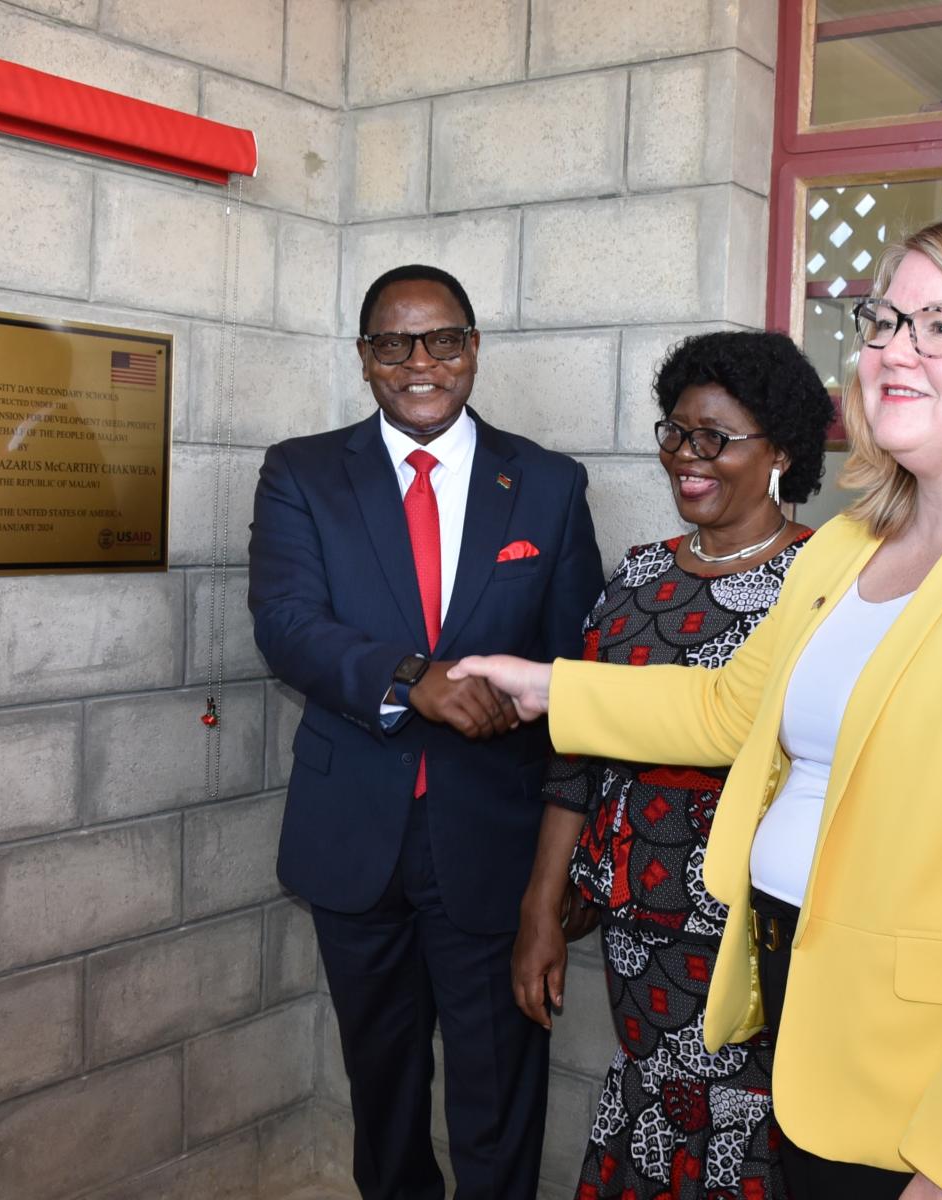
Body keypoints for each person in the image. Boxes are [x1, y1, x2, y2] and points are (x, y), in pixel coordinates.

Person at [450, 215, 942, 1200]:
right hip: (793, 984)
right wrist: (546, 687)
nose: (894, 350)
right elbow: (725, 710)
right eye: (883, 323)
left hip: (927, 1052)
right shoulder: (847, 548)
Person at [248, 263, 604, 1200]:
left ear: (473, 349)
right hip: (353, 838)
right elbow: (286, 625)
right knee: (385, 1092)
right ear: (364, 359)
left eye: (442, 340)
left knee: (498, 1100)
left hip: (493, 844)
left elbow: (579, 683)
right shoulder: (303, 472)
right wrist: (416, 679)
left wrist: (559, 873)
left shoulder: (550, 487)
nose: (419, 362)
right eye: (392, 343)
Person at [514, 331, 833, 1200]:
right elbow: (576, 754)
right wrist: (542, 905)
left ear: (782, 452)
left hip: (753, 934)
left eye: (716, 438)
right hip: (636, 925)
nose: (688, 459)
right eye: (676, 434)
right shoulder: (638, 576)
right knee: (655, 1111)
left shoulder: (824, 583)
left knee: (749, 1126)